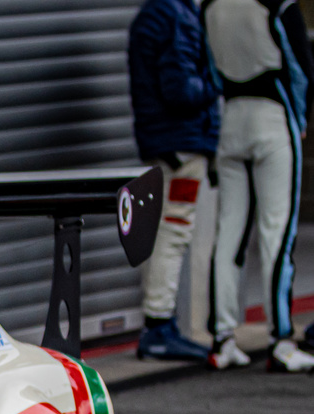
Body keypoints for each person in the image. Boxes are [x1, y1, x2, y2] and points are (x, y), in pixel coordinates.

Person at [202, 0, 314, 371]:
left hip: (232, 119)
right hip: (273, 119)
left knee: (229, 232)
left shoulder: (210, 6)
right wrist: (300, 118)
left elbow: (210, 68)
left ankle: (222, 339)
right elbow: (302, 69)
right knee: (276, 233)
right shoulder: (277, 3)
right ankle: (281, 340)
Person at [128, 0, 220, 362]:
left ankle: (158, 321)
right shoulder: (176, 17)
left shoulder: (153, 14)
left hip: (163, 144)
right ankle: (159, 324)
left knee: (158, 232)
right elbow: (181, 90)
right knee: (175, 229)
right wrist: (217, 82)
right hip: (181, 147)